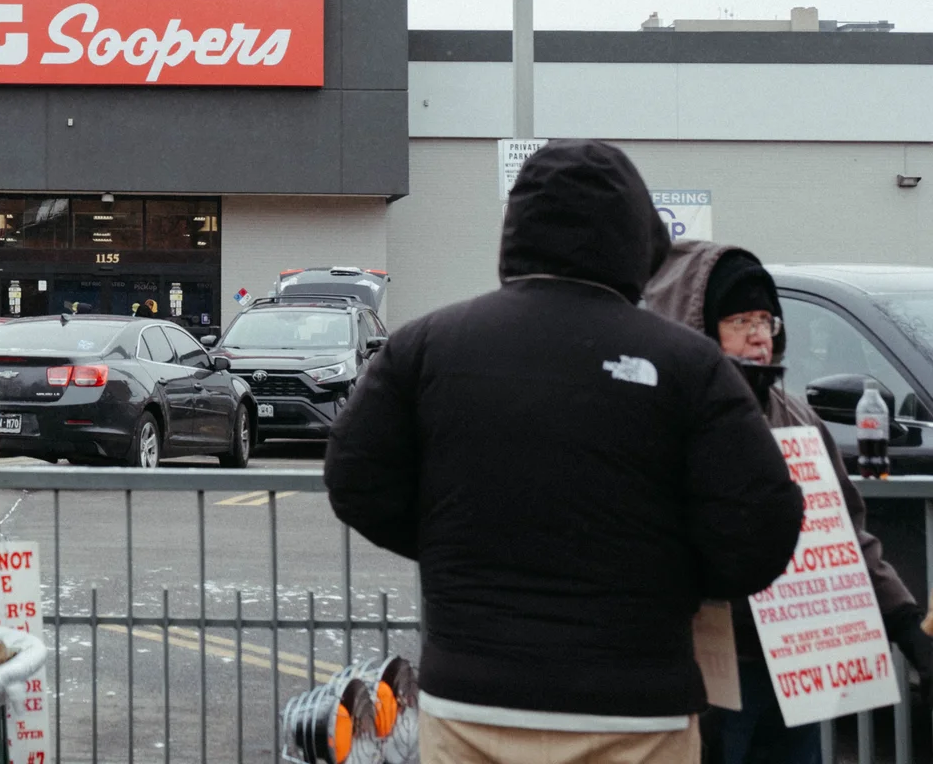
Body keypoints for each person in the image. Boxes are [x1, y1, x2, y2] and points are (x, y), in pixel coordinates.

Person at [326, 139, 805, 764]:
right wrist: (675, 579)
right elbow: (762, 522)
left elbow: (356, 477)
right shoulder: (689, 365)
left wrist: (451, 544)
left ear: (515, 231)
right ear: (638, 239)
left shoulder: (428, 346)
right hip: (638, 710)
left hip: (472, 701)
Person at [645, 239, 932, 763]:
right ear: (700, 331)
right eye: (740, 322)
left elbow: (846, 534)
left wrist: (905, 623)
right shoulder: (662, 421)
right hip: (706, 670)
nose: (760, 339)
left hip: (796, 667)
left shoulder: (796, 416)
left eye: (767, 321)